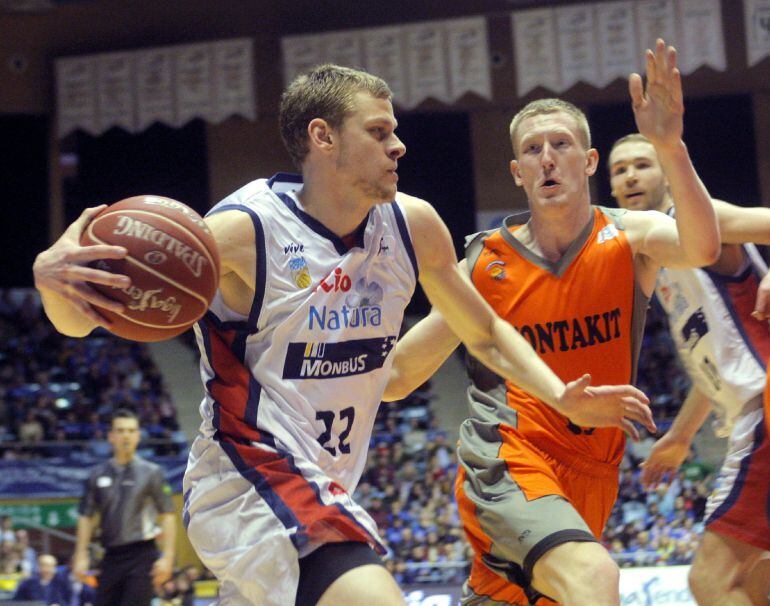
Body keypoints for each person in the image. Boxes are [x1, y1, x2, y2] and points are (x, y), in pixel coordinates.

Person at [32, 63, 654, 606]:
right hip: (248, 478)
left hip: (324, 482)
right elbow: (81, 320)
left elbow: (484, 332)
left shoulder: (414, 226)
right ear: (323, 137)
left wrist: (558, 393)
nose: (399, 146)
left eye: (395, 131)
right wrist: (53, 280)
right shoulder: (243, 231)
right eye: (379, 133)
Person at [384, 40, 719, 606]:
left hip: (594, 468)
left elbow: (703, 246)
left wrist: (670, 144)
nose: (547, 158)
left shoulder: (629, 236)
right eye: (533, 149)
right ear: (517, 173)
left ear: (588, 162)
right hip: (510, 455)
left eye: (561, 145)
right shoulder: (485, 261)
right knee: (594, 578)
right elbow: (399, 375)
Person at [610, 133, 770, 605]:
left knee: (712, 581)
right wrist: (680, 437)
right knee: (755, 579)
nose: (631, 176)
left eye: (642, 164)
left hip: (763, 411)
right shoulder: (655, 260)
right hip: (748, 408)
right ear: (614, 190)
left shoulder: (701, 220)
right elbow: (717, 367)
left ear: (665, 173)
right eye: (620, 171)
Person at [72, 409, 176, 606]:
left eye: (131, 430)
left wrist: (168, 557)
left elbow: (168, 514)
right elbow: (85, 516)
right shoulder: (96, 474)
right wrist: (81, 554)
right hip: (110, 555)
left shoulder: (152, 473)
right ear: (111, 437)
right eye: (120, 430)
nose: (126, 435)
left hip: (142, 555)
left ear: (138, 436)